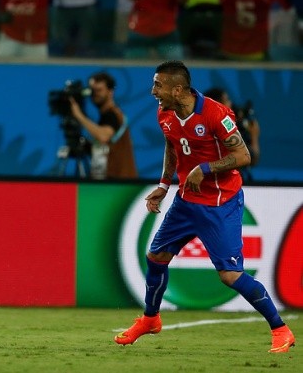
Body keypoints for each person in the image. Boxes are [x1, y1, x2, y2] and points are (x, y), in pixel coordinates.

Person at [114, 60, 295, 354]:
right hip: (186, 201)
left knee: (230, 275)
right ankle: (150, 319)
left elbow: (244, 155)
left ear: (177, 89)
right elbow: (172, 145)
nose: (152, 91)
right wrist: (164, 184)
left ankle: (280, 329)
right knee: (156, 257)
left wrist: (205, 168)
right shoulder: (165, 112)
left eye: (158, 85)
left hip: (219, 203)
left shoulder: (215, 114)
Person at [68, 71, 137, 180]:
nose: (95, 94)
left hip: (119, 182)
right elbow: (104, 148)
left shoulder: (113, 115)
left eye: (99, 90)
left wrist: (78, 115)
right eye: (92, 91)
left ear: (110, 92)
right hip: (112, 180)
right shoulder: (106, 116)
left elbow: (104, 136)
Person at [203, 87, 260, 182]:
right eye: (227, 100)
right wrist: (254, 135)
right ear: (218, 105)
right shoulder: (221, 129)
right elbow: (249, 158)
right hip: (223, 183)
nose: (231, 104)